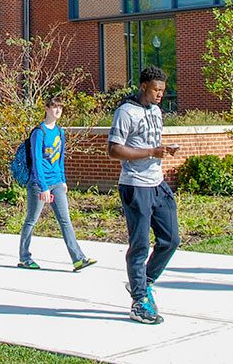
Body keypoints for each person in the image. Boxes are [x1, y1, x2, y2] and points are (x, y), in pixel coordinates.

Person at [109, 66, 180, 325]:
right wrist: (151, 152)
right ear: (143, 87)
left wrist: (161, 150)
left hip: (157, 183)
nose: (160, 94)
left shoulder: (157, 111)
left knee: (170, 239)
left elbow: (151, 145)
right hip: (135, 185)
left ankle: (143, 282)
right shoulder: (126, 112)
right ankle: (139, 301)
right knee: (139, 245)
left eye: (162, 90)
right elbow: (114, 150)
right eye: (156, 89)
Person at [17, 96, 96, 272]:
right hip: (39, 183)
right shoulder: (39, 132)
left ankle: (78, 258)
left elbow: (60, 158)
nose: (58, 110)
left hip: (57, 182)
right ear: (46, 109)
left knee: (65, 220)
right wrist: (43, 186)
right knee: (31, 220)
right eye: (54, 107)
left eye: (60, 107)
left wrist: (62, 179)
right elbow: (37, 161)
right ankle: (24, 257)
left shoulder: (60, 131)